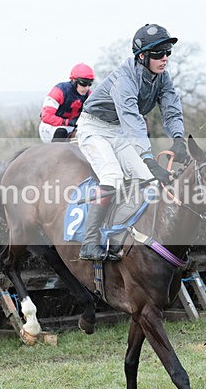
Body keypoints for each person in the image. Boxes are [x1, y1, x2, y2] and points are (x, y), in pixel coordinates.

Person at [76, 24, 189, 261]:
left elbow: (171, 110)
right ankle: (89, 243)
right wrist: (148, 158)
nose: (165, 58)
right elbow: (132, 119)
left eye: (168, 51)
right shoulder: (124, 80)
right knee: (113, 178)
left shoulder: (163, 78)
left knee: (147, 183)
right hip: (94, 128)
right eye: (158, 53)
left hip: (118, 131)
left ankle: (121, 234)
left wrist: (178, 139)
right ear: (142, 56)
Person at [38, 63, 94, 143]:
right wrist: (67, 122)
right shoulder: (59, 91)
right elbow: (46, 116)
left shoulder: (89, 95)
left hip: (71, 128)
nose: (87, 88)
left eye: (90, 84)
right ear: (74, 80)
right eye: (84, 83)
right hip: (50, 127)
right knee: (61, 132)